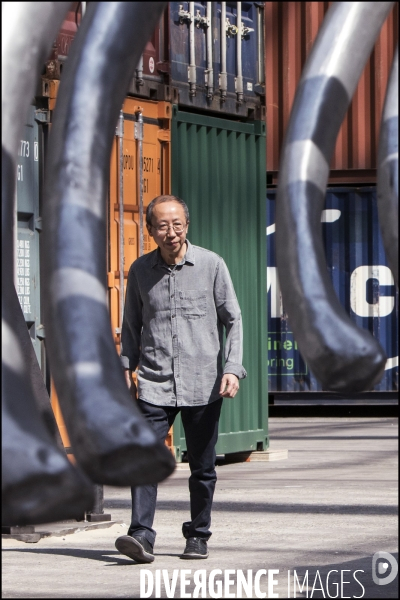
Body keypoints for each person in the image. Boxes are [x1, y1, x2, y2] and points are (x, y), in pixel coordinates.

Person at [115, 194, 246, 562]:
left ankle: (198, 534)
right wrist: (127, 367)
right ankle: (141, 535)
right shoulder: (140, 270)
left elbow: (233, 320)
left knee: (202, 467)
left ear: (186, 226)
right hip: (155, 383)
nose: (170, 232)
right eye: (162, 225)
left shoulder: (211, 265)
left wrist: (233, 368)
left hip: (203, 383)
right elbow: (131, 326)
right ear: (150, 230)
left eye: (177, 225)